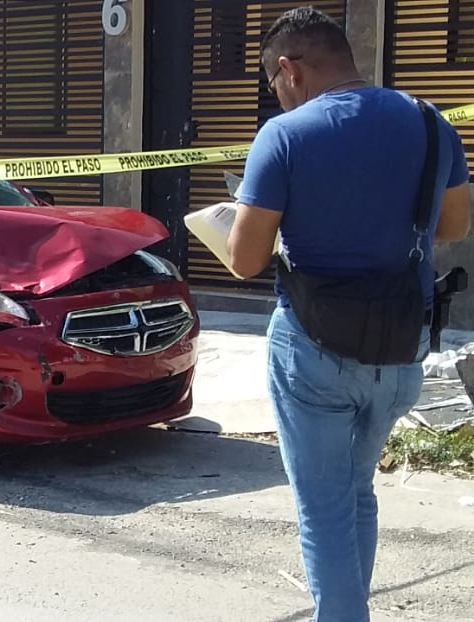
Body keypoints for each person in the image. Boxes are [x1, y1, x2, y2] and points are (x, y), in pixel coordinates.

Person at [227, 8, 470, 621]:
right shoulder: (431, 122)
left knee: (324, 510)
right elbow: (452, 227)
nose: (278, 96)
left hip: (314, 352)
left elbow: (245, 261)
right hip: (400, 350)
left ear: (290, 69)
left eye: (274, 83)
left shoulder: (283, 136)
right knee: (356, 492)